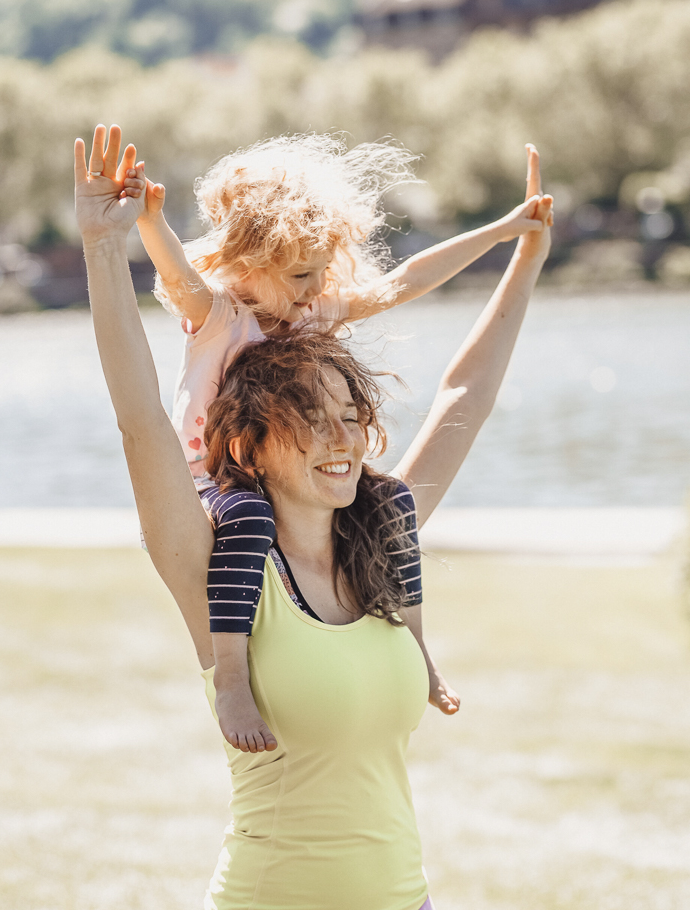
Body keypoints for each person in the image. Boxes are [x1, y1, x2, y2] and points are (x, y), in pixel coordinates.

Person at [75, 123, 553, 910]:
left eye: (351, 414)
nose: (345, 442)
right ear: (249, 443)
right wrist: (105, 245)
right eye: (309, 416)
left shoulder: (380, 536)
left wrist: (520, 255)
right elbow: (140, 419)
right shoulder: (217, 557)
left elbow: (465, 396)